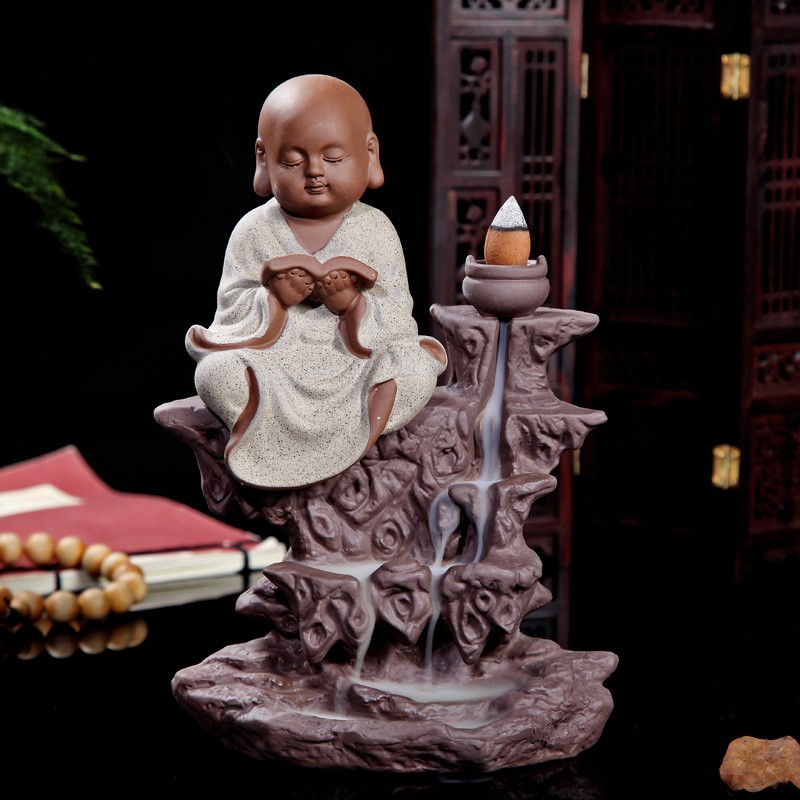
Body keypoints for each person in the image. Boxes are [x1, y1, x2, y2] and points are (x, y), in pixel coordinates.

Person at [185, 74, 447, 489]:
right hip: (277, 364)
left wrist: (352, 305)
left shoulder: (375, 228)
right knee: (216, 374)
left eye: (334, 158)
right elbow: (230, 311)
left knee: (415, 368)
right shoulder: (254, 230)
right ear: (264, 159)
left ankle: (351, 438)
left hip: (351, 364)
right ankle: (271, 448)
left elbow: (398, 315)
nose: (314, 172)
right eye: (292, 162)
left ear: (370, 152)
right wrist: (273, 300)